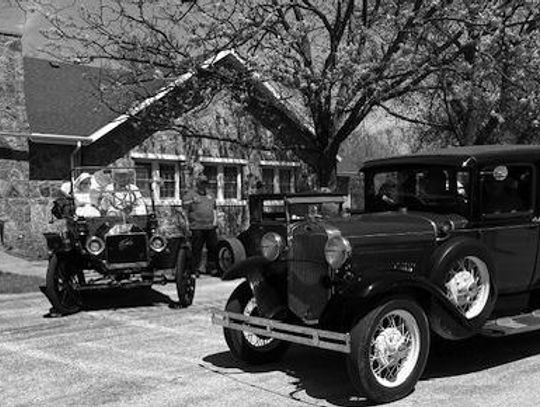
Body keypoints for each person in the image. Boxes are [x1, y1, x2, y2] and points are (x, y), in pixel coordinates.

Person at [183, 175, 218, 276]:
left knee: (213, 247)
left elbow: (214, 208)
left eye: (205, 183)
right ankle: (195, 269)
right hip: (197, 226)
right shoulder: (190, 194)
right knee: (197, 249)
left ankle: (211, 268)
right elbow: (184, 207)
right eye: (201, 183)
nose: (203, 185)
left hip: (210, 226)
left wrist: (215, 220)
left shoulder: (210, 195)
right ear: (197, 184)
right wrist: (192, 201)